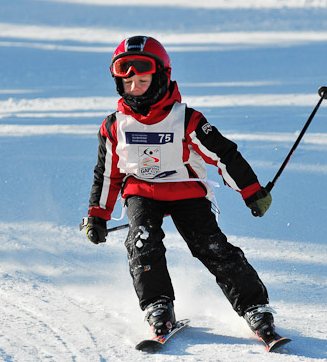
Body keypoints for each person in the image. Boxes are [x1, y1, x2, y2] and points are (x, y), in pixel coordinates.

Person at [83, 35, 282, 345]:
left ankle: (253, 306)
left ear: (161, 77)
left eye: (143, 80)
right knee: (141, 241)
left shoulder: (186, 120)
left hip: (187, 191)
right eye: (128, 83)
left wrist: (251, 190)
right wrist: (97, 215)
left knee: (211, 246)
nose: (135, 89)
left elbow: (223, 154)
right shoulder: (114, 126)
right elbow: (108, 174)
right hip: (142, 192)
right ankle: (157, 304)